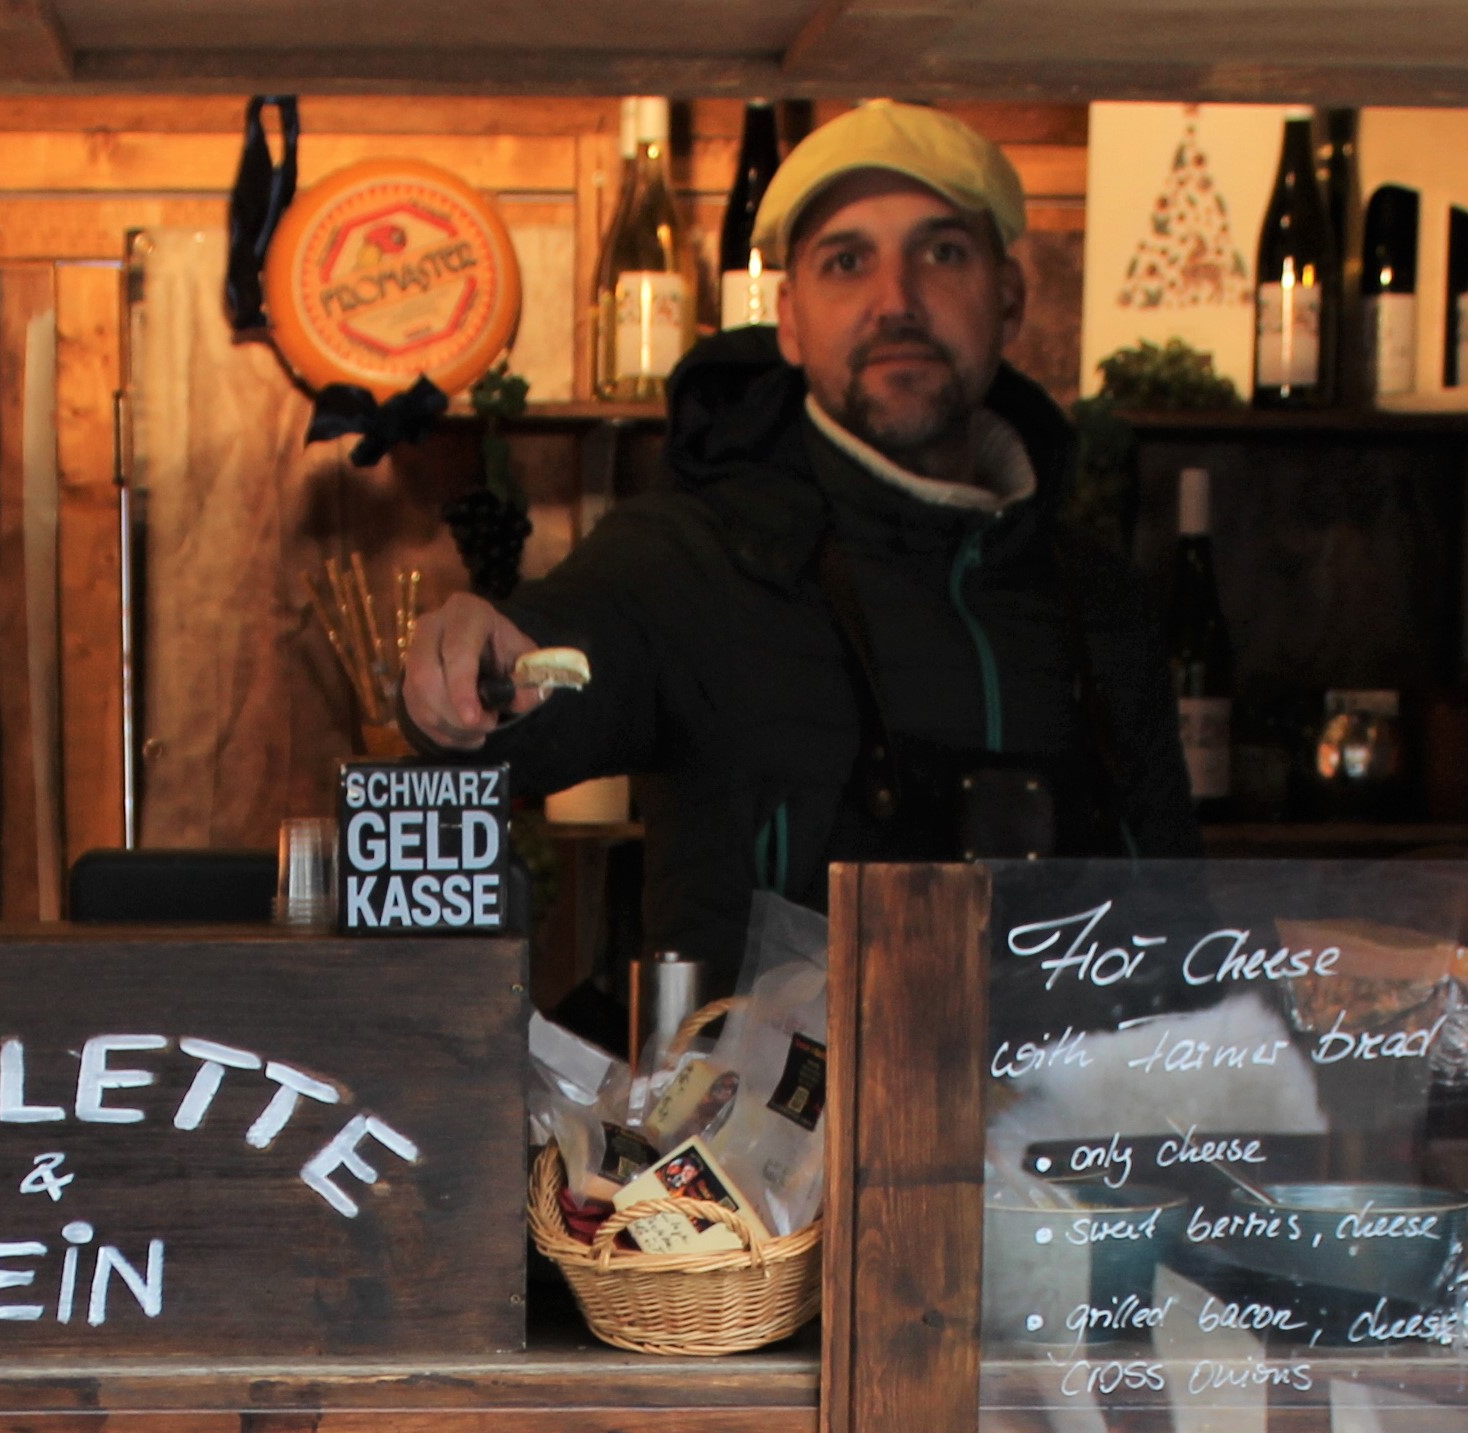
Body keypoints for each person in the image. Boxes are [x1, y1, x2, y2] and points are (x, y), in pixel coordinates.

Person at [401, 100, 1198, 980]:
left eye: (942, 253)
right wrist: (479, 671)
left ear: (1009, 296)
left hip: (1069, 1076)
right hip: (768, 1078)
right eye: (847, 262)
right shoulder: (690, 559)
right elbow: (562, 670)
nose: (896, 301)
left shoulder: (1100, 598)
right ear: (787, 317)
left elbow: (1183, 920)